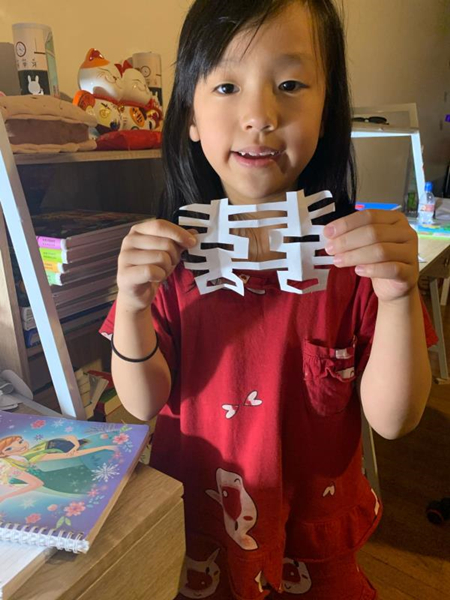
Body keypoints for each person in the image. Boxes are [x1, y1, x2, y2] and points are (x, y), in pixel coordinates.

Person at [100, 1, 437, 598]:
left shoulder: (356, 264)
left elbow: (395, 420)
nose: (259, 115)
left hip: (315, 541)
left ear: (328, 112)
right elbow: (143, 401)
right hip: (200, 533)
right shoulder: (168, 262)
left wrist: (398, 295)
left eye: (290, 84)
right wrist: (130, 305)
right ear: (190, 116)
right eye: (227, 86)